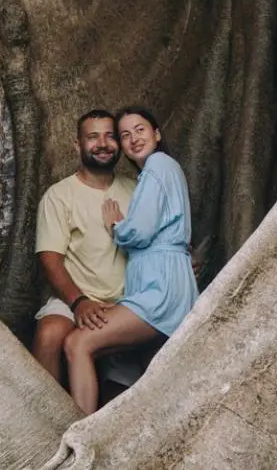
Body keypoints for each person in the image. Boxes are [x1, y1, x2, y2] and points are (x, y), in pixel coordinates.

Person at [63, 106, 199, 414]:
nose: (133, 139)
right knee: (150, 371)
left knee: (78, 344)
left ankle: (79, 432)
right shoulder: (155, 173)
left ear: (157, 134)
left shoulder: (159, 165)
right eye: (125, 135)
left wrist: (116, 225)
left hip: (160, 289)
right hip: (156, 284)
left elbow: (139, 232)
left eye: (140, 129)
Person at [31, 110, 140, 389]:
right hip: (76, 296)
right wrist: (79, 303)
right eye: (93, 137)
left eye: (110, 136)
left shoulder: (138, 188)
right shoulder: (58, 196)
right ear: (77, 145)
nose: (102, 144)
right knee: (50, 334)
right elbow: (50, 258)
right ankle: (47, 421)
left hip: (128, 300)